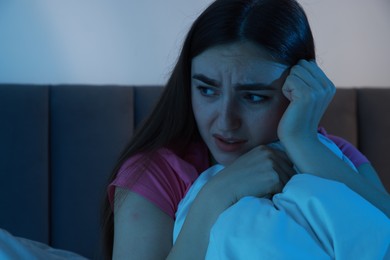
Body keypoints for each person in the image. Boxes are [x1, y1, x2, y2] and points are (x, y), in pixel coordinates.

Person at [102, 0, 390, 259]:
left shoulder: (330, 152)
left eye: (253, 96)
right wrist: (215, 197)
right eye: (206, 90)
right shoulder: (156, 174)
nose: (226, 121)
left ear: (296, 89)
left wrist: (303, 142)